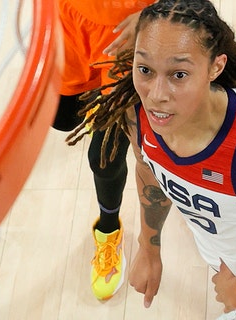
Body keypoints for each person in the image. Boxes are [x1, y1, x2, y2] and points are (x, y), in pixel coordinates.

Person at [66, 0, 236, 318]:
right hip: (220, 257)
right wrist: (149, 248)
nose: (157, 94)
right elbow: (150, 173)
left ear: (216, 67)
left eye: (179, 74)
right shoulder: (138, 113)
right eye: (145, 69)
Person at [53, 0, 155, 301]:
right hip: (69, 22)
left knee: (103, 159)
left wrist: (156, 13)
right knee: (64, 119)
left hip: (126, 30)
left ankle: (108, 229)